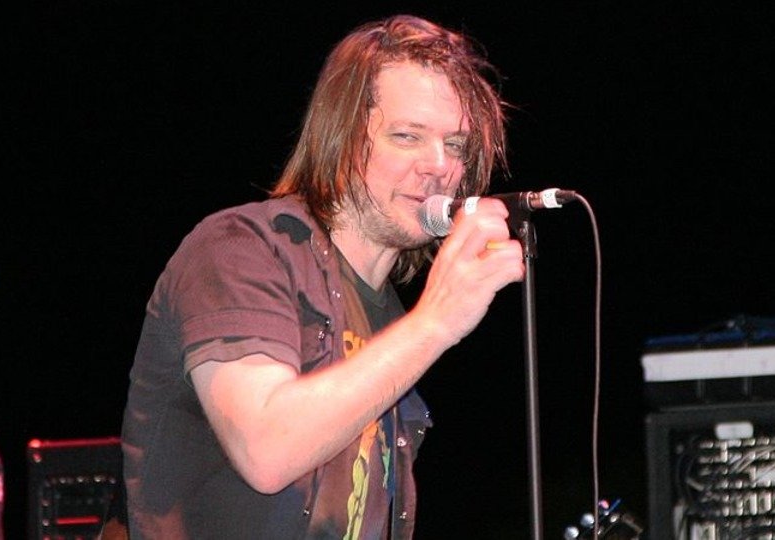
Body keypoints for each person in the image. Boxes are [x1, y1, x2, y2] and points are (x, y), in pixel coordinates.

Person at [120, 13, 524, 540]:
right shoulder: (240, 249)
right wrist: (437, 321)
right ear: (340, 137)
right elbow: (267, 449)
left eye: (455, 145)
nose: (439, 166)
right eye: (407, 136)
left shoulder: (389, 319)